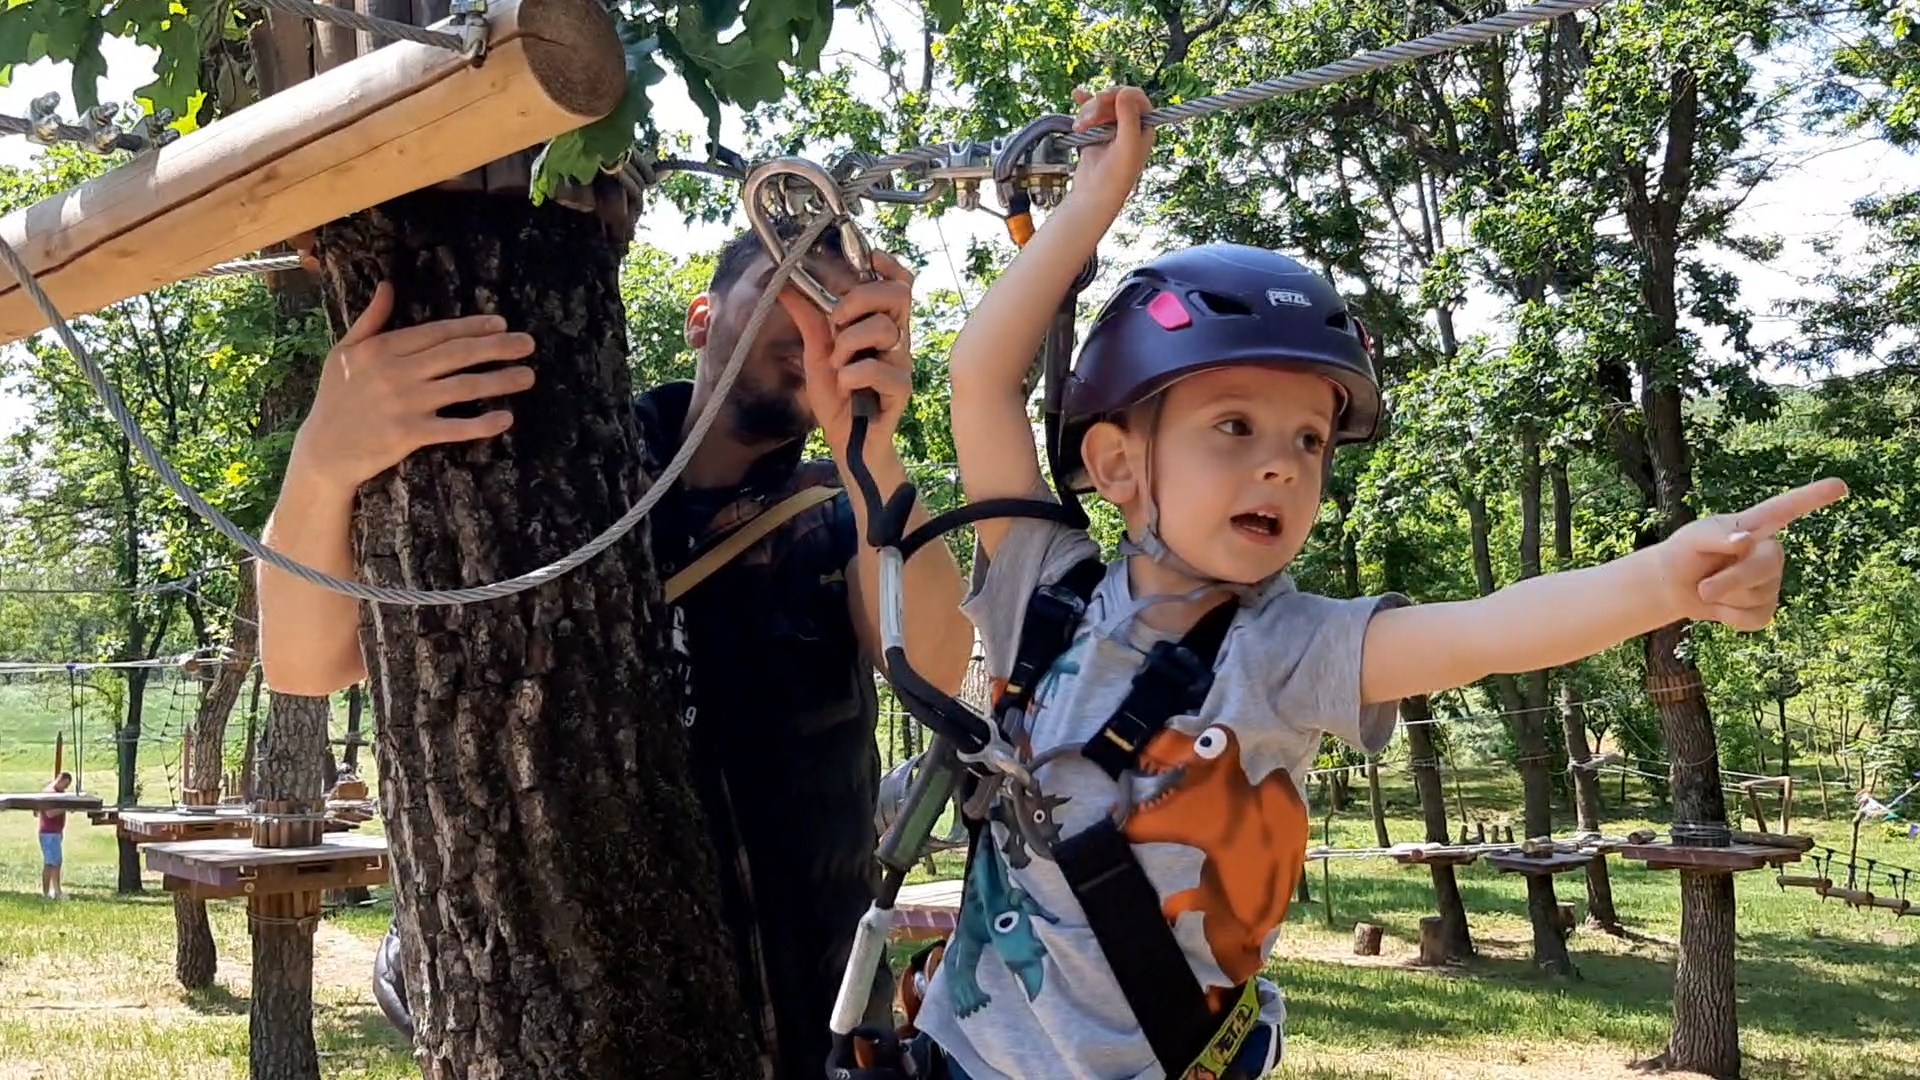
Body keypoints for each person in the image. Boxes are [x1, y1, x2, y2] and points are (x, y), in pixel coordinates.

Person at [899, 84, 1850, 1080]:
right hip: (964, 1055)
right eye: (1234, 426)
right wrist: (1095, 202)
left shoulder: (1287, 648)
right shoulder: (1043, 590)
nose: (1282, 465)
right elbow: (981, 379)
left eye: (1309, 440)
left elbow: (1491, 629)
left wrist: (1666, 580)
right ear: (1118, 463)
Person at [256, 224, 974, 1079]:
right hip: (558, 1022)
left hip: (808, 1029)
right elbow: (304, 663)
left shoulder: (843, 510)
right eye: (786, 289)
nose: (812, 325)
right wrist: (321, 463)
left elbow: (935, 670)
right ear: (702, 319)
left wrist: (869, 445)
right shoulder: (558, 478)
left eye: (839, 308)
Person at [36, 772, 72, 900]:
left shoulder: (59, 793)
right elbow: (49, 813)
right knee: (50, 863)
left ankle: (56, 891)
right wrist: (66, 807)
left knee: (56, 862)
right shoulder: (50, 793)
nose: (65, 788)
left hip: (55, 833)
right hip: (48, 833)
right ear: (60, 780)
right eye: (65, 784)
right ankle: (48, 893)